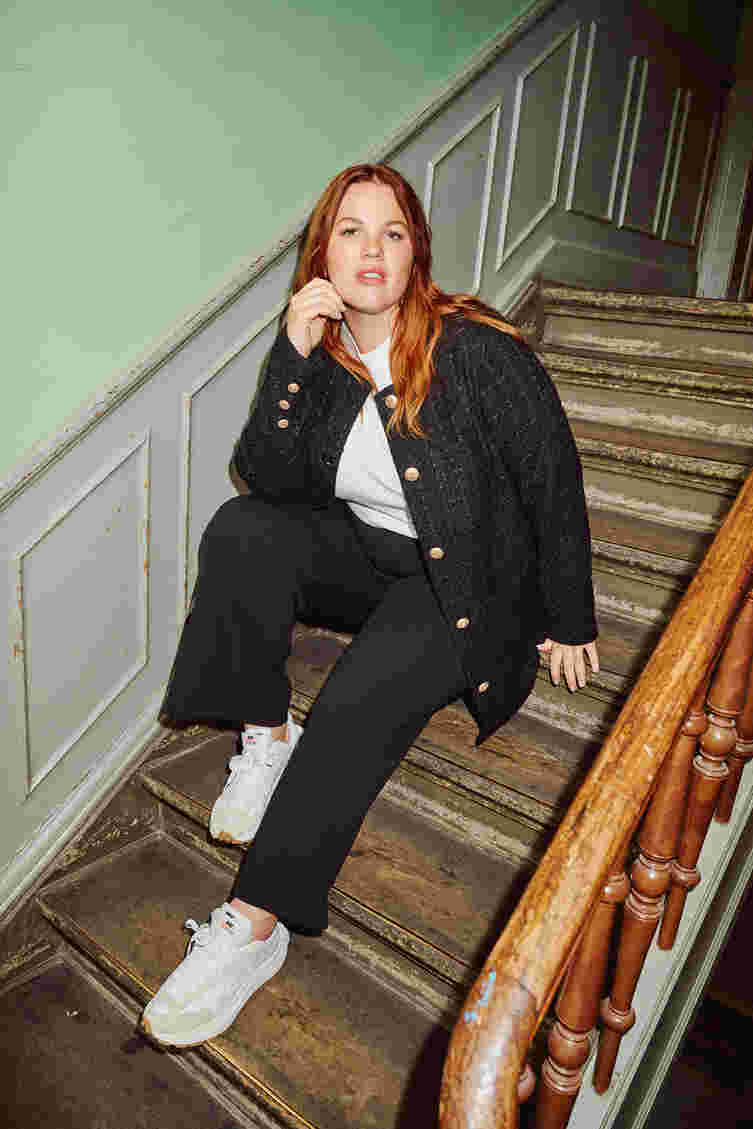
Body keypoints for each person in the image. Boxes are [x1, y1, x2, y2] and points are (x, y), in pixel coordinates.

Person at [140, 163, 599, 1048]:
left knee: (357, 695)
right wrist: (291, 354)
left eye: (392, 231)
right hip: (375, 556)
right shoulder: (325, 360)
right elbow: (265, 478)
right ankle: (266, 734)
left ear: (415, 251)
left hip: (464, 588)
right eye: (350, 230)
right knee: (243, 529)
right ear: (323, 255)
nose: (372, 249)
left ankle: (254, 925)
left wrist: (567, 615)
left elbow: (552, 479)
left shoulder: (478, 350)